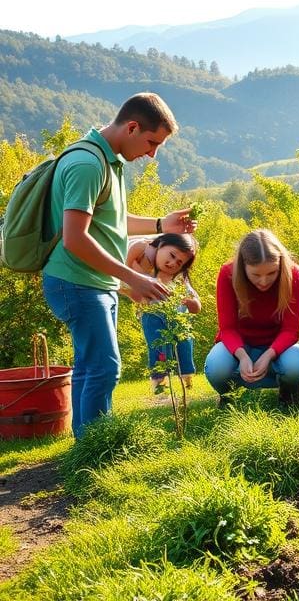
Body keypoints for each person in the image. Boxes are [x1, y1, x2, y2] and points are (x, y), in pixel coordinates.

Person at [42, 93, 195, 437]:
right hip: (76, 281)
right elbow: (75, 238)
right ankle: (97, 450)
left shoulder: (108, 161)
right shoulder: (88, 164)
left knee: (89, 367)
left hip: (95, 282)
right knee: (104, 367)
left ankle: (86, 446)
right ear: (132, 127)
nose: (152, 154)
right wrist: (133, 278)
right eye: (152, 142)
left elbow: (111, 221)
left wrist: (161, 225)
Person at [204, 229, 299, 408]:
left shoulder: (293, 274)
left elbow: (291, 330)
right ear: (243, 267)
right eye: (256, 275)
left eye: (271, 273)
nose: (264, 281)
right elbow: (227, 328)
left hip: (279, 346)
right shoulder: (227, 273)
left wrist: (269, 354)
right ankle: (229, 395)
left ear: (281, 265)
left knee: (296, 365)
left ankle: (289, 390)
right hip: (239, 345)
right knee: (217, 367)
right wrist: (242, 356)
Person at [126, 232, 200, 392]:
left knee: (185, 346)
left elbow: (197, 306)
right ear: (160, 246)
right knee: (158, 349)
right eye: (172, 255)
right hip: (152, 317)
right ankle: (160, 384)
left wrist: (189, 302)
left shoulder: (180, 281)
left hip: (179, 320)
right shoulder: (146, 274)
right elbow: (129, 267)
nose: (172, 263)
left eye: (179, 262)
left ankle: (187, 381)